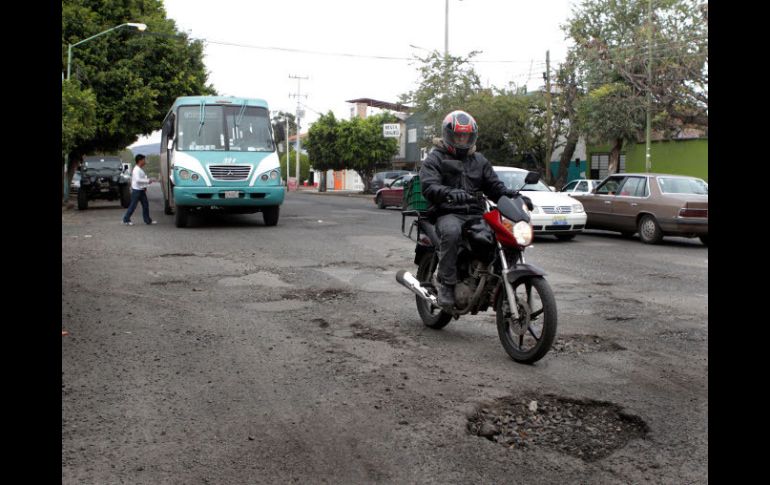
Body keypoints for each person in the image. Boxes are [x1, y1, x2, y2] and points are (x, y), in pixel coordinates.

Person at [419, 110, 517, 311]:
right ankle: (447, 284)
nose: (462, 139)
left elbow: (494, 186)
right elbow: (429, 185)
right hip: (446, 212)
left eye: (466, 135)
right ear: (449, 134)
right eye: (458, 135)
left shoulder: (479, 160)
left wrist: (511, 195)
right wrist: (448, 192)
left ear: (472, 136)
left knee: (505, 234)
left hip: (475, 214)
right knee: (452, 232)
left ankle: (495, 281)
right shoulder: (435, 158)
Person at [122, 154, 157, 226]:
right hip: (136, 191)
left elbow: (141, 179)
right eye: (144, 160)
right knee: (133, 206)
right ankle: (126, 219)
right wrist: (148, 181)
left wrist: (145, 186)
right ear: (140, 161)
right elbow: (138, 180)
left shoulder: (139, 169)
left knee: (145, 205)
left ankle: (147, 220)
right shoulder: (136, 170)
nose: (145, 161)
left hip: (141, 190)